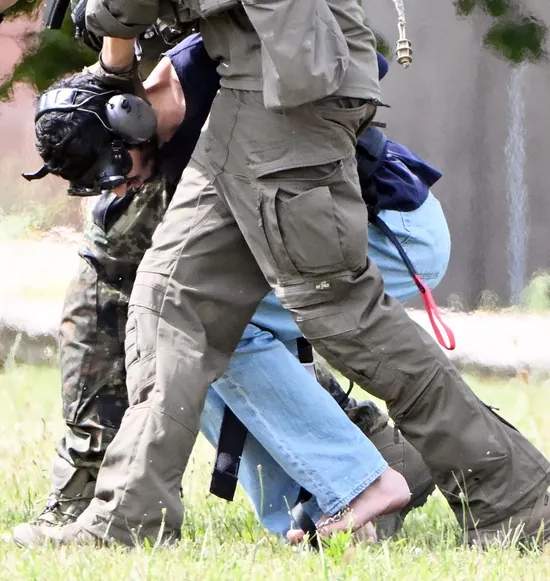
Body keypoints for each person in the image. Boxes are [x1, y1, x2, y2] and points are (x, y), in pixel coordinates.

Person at [27, 0, 550, 546]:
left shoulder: (191, 93)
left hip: (289, 92)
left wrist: (104, 14)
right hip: (258, 87)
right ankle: (128, 519)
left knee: (340, 313)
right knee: (171, 304)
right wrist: (112, 47)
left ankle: (512, 496)